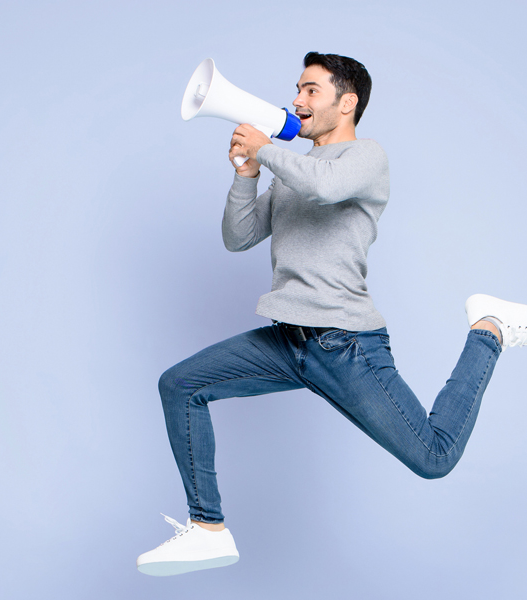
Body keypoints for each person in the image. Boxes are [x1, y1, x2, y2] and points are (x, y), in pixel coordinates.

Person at [137, 52, 527, 576]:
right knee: (180, 385)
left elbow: (325, 186)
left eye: (311, 91)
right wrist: (247, 174)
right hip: (288, 343)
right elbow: (239, 237)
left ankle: (489, 329)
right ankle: (208, 529)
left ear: (348, 103)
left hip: (345, 346)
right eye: (297, 89)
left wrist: (268, 149)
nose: (296, 100)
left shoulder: (366, 158)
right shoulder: (289, 172)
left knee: (434, 458)